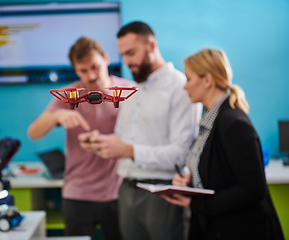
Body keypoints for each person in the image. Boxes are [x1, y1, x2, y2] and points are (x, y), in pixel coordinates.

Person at [78, 22, 201, 240]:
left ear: (151, 46)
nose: (126, 62)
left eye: (131, 53)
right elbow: (124, 140)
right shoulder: (131, 91)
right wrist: (101, 142)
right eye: (123, 54)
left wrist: (128, 151)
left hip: (163, 194)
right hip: (126, 191)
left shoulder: (181, 88)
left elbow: (181, 154)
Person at [163, 48, 284, 240]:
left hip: (240, 231)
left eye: (189, 79)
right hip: (217, 227)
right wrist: (191, 180)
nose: (185, 87)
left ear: (207, 80)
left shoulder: (234, 123)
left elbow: (253, 189)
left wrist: (196, 203)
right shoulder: (211, 119)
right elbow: (220, 170)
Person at [28, 36, 130, 239]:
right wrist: (56, 116)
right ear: (76, 70)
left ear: (106, 59)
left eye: (95, 66)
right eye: (83, 70)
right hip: (78, 194)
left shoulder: (128, 92)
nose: (91, 75)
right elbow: (34, 132)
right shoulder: (69, 95)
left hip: (119, 193)